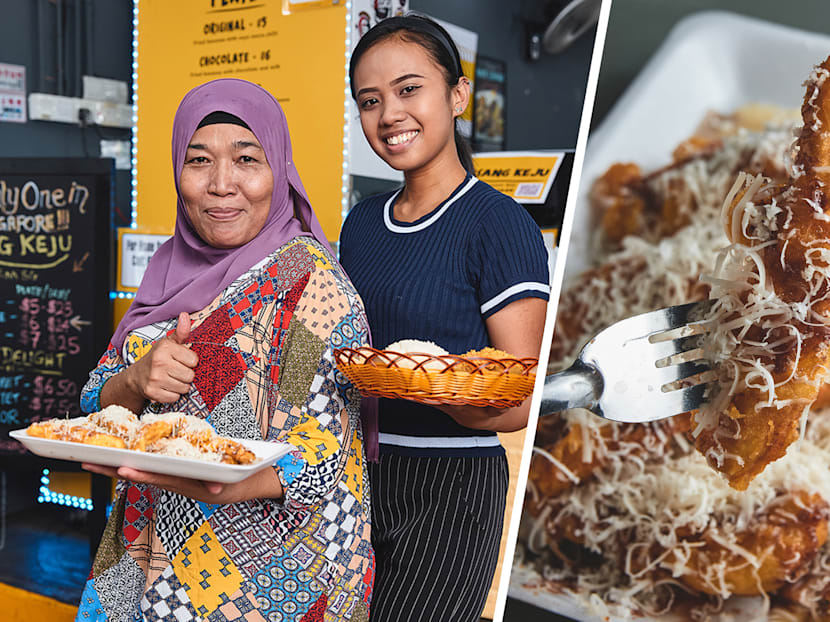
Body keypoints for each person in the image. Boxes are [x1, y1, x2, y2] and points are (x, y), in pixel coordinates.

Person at [76, 78, 374, 622]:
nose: (220, 184)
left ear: (278, 169)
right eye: (199, 161)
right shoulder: (167, 269)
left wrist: (233, 481)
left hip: (267, 579)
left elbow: (324, 453)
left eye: (245, 159)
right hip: (141, 558)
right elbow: (97, 402)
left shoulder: (309, 288)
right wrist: (137, 379)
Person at [339, 14, 550, 622]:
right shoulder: (361, 224)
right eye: (370, 101)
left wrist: (431, 385)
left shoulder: (498, 223)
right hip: (353, 477)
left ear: (458, 95)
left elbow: (519, 398)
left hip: (451, 486)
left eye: (410, 90)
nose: (389, 115)